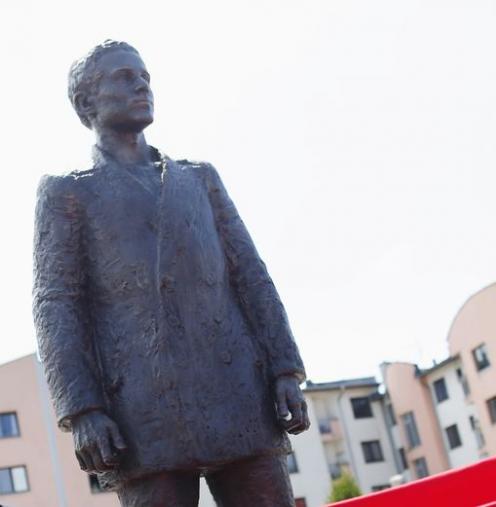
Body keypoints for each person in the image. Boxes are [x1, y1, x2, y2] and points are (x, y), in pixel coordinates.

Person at [32, 40, 309, 506]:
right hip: (142, 413)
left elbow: (252, 278)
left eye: (144, 75)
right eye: (123, 76)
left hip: (238, 389)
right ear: (86, 101)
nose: (141, 83)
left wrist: (285, 369)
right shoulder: (67, 193)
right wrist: (83, 410)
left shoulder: (198, 179)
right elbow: (55, 303)